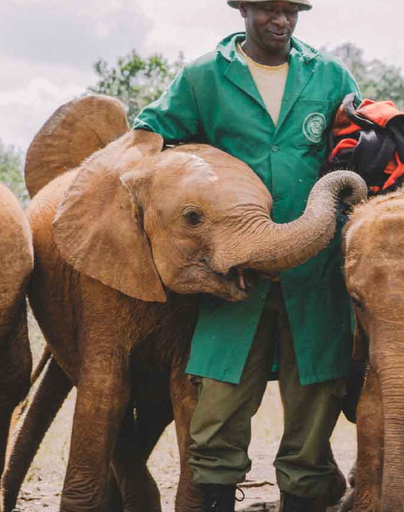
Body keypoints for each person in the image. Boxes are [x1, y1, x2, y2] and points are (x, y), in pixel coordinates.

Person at [133, 2, 360, 511]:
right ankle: (215, 496)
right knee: (217, 408)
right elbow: (150, 137)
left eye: (289, 11)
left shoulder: (329, 76)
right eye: (267, 10)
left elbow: (357, 146)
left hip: (315, 271)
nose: (279, 21)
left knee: (314, 408)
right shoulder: (204, 78)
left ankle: (303, 496)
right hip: (233, 274)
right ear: (243, 10)